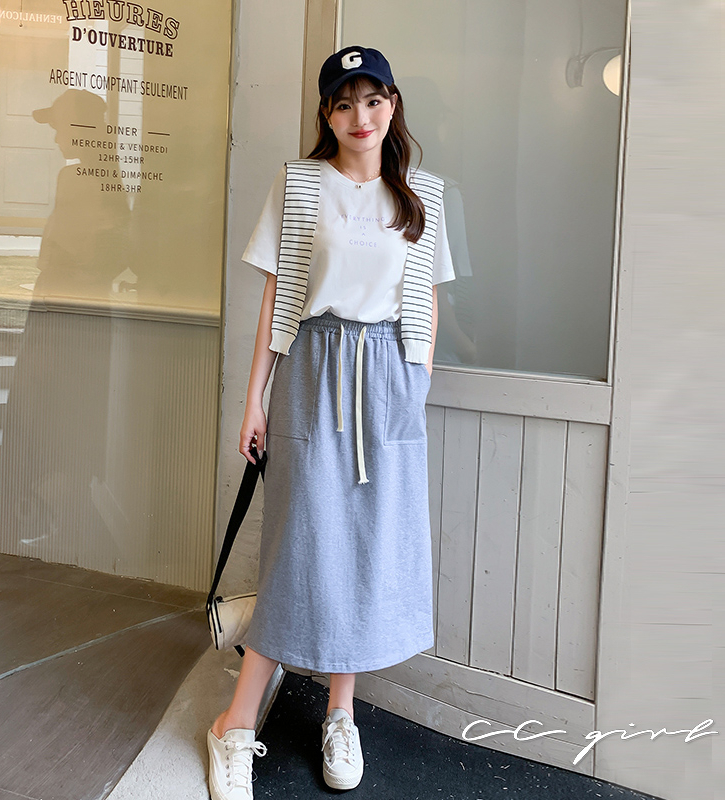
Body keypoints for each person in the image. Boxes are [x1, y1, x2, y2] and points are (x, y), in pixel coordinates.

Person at [206, 45, 455, 800]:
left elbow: (428, 301)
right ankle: (233, 723)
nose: (360, 116)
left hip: (389, 377)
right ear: (327, 114)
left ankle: (340, 714)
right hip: (313, 369)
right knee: (300, 544)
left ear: (392, 105)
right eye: (344, 103)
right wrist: (254, 399)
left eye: (372, 100)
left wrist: (415, 387)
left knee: (367, 547)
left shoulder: (422, 194)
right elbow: (276, 298)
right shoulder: (299, 185)